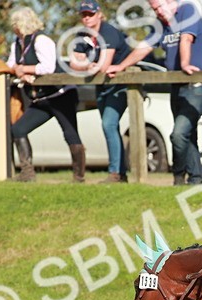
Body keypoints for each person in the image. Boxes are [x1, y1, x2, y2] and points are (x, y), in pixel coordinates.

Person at [106, 0, 202, 186]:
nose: (159, 12)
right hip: (177, 86)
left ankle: (179, 176)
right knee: (188, 135)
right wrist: (121, 66)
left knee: (179, 134)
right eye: (155, 9)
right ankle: (195, 179)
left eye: (160, 7)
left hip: (198, 84)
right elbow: (144, 48)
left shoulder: (187, 10)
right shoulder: (161, 26)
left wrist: (185, 64)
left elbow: (186, 39)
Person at [7, 8, 85, 183]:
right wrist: (19, 72)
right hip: (40, 99)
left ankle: (79, 177)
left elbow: (47, 67)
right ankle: (27, 172)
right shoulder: (16, 44)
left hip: (60, 95)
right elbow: (11, 64)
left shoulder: (42, 40)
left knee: (70, 133)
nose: (14, 28)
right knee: (18, 130)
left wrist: (24, 69)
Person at [70, 0, 131, 183]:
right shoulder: (82, 35)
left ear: (99, 14)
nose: (87, 18)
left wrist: (87, 65)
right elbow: (73, 62)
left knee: (109, 124)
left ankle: (115, 173)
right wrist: (89, 65)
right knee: (111, 127)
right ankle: (120, 173)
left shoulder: (109, 32)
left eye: (90, 14)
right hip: (102, 86)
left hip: (118, 85)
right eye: (84, 15)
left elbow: (104, 66)